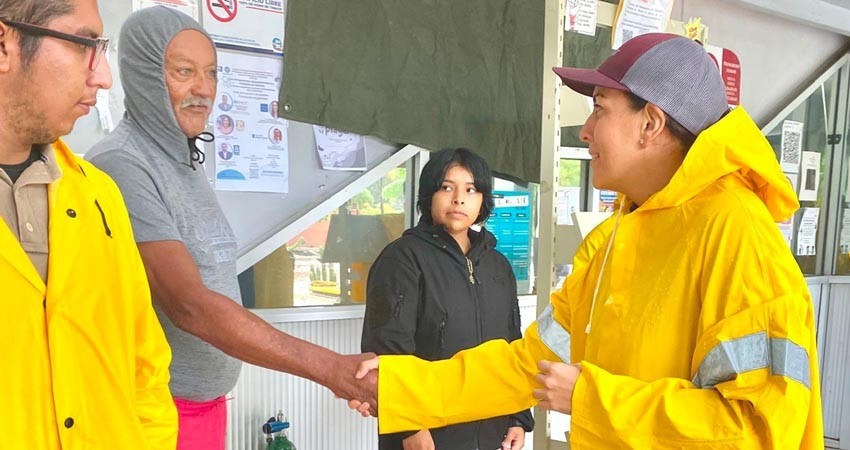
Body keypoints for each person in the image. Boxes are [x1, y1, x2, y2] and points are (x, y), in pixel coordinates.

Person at [350, 33, 824, 449]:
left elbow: (759, 432)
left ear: (651, 123)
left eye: (599, 108)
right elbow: (526, 366)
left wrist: (590, 400)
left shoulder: (739, 237)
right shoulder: (617, 237)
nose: (586, 130)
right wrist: (398, 388)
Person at [85, 7, 374, 450]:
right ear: (143, 75)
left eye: (212, 73)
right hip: (155, 415)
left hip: (205, 409)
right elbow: (190, 306)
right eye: (184, 71)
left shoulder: (183, 161)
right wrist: (330, 368)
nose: (203, 89)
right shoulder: (123, 164)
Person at [0, 0, 177, 448]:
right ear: (4, 45)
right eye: (83, 45)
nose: (103, 77)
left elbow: (146, 369)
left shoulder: (99, 195)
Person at [362, 148, 533, 450]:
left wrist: (518, 417)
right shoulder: (403, 258)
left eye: (471, 189)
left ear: (483, 202)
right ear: (429, 195)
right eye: (446, 187)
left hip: (492, 431)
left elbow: (512, 345)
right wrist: (409, 428)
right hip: (427, 435)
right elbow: (388, 349)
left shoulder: (497, 266)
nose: (459, 199)